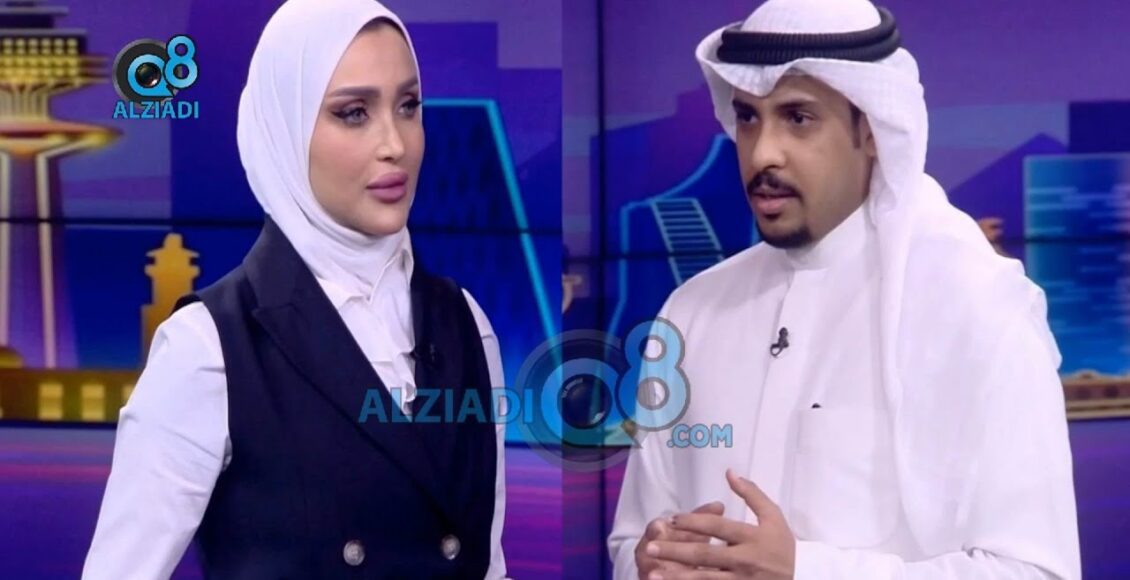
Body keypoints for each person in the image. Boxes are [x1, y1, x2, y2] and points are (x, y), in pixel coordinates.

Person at [607, 0, 1080, 579]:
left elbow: (1038, 571)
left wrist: (804, 571)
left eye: (798, 118)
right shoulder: (692, 312)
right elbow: (633, 538)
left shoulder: (979, 311)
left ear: (873, 128)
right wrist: (650, 560)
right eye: (748, 118)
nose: (762, 153)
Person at [83, 0, 508, 578]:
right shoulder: (208, 348)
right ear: (286, 128)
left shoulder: (467, 324)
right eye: (354, 113)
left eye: (408, 106)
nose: (395, 144)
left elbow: (488, 565)